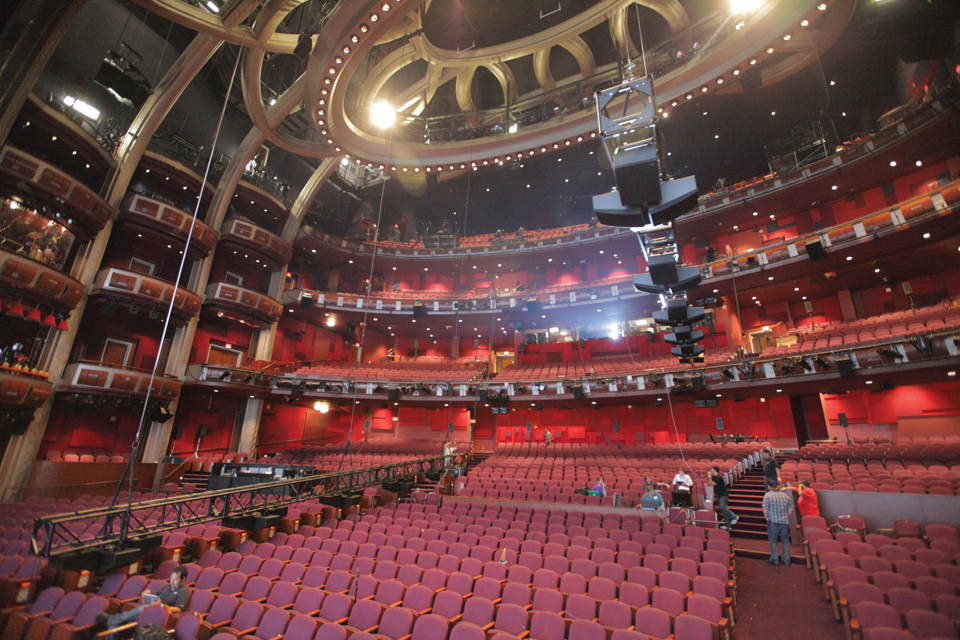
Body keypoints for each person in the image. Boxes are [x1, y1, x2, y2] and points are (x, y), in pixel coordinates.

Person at [98, 565, 190, 635]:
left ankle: (113, 618)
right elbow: (154, 598)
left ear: (183, 579)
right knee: (114, 626)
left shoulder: (184, 591)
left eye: (175, 580)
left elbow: (179, 609)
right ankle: (114, 621)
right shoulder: (167, 587)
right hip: (150, 609)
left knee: (142, 609)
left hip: (161, 614)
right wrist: (145, 596)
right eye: (171, 579)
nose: (172, 582)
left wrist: (162, 606)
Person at [762, 481, 794, 566]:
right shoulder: (785, 496)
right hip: (784, 521)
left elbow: (765, 507)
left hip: (773, 520)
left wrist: (766, 516)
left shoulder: (768, 495)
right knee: (785, 541)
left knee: (773, 540)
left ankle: (774, 559)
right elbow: (791, 508)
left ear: (769, 487)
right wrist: (787, 516)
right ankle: (786, 559)